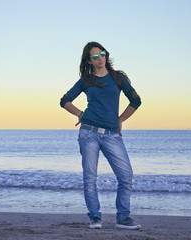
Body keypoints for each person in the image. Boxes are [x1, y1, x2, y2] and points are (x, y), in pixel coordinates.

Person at [60, 42, 142, 230]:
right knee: (90, 178)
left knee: (126, 175)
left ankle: (123, 218)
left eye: (102, 54)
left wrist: (120, 119)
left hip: (112, 135)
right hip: (88, 133)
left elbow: (136, 100)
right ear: (90, 60)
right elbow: (64, 100)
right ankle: (95, 217)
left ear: (106, 55)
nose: (100, 58)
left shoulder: (118, 78)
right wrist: (80, 114)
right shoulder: (86, 80)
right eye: (95, 56)